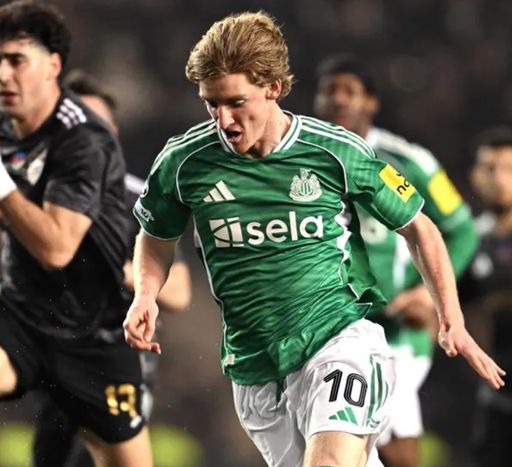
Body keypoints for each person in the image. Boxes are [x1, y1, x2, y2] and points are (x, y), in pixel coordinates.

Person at [123, 11, 505, 467]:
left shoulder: (335, 150)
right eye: (211, 104)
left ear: (273, 88)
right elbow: (156, 236)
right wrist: (145, 294)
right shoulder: (183, 162)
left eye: (236, 102)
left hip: (339, 341)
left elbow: (420, 227)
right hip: (255, 367)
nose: (223, 120)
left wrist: (450, 317)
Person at [0, 2, 153, 467]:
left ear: (53, 66)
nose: (2, 73)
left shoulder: (84, 139)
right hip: (23, 312)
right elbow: (6, 213)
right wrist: (2, 202)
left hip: (94, 334)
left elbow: (57, 248)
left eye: (17, 60)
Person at [312, 54, 479, 467]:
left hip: (397, 329)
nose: (338, 100)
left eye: (349, 91)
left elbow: (461, 230)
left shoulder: (407, 160)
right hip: (328, 324)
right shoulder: (302, 158)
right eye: (329, 91)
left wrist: (426, 295)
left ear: (371, 102)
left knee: (385, 428)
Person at [32, 69, 192, 467]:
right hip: (58, 364)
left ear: (113, 134)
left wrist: (114, 268)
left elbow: (179, 292)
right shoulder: (40, 200)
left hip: (120, 369)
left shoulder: (139, 201)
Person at [463, 126, 512, 467]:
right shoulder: (467, 243)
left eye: (508, 168)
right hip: (498, 398)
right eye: (490, 168)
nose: (499, 179)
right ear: (474, 178)